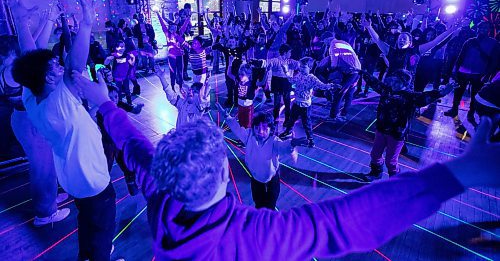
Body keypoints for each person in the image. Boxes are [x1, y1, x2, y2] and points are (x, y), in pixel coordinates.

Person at [74, 69, 498, 261]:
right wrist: (462, 172)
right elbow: (348, 221)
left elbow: (132, 144)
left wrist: (104, 102)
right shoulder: (255, 237)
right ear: (225, 171)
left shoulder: (158, 193)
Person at [4, 0, 120, 261]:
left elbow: (30, 56)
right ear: (49, 79)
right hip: (92, 179)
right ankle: (101, 254)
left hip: (72, 178)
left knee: (86, 218)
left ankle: (86, 254)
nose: (59, 66)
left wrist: (21, 21)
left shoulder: (32, 95)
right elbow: (75, 66)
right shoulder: (61, 99)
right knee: (103, 224)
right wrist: (87, 23)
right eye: (54, 67)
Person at [1, 34, 70, 226]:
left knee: (45, 164)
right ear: (11, 53)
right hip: (28, 123)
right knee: (42, 168)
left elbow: (35, 49)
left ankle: (50, 199)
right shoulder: (11, 71)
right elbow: (33, 52)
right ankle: (45, 214)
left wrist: (47, 21)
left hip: (23, 120)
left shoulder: (6, 70)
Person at [360, 69, 456, 180]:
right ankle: (376, 173)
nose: (393, 83)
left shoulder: (411, 97)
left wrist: (441, 93)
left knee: (390, 160)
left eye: (397, 81)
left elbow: (425, 97)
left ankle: (394, 179)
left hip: (396, 134)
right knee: (375, 154)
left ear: (404, 83)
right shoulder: (386, 90)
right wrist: (362, 72)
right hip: (381, 129)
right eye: (392, 80)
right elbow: (374, 82)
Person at [217, 104, 299, 209]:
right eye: (257, 128)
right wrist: (226, 116)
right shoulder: (248, 137)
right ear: (253, 128)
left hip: (272, 180)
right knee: (258, 204)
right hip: (255, 179)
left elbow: (284, 147)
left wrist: (292, 144)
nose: (260, 131)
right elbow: (236, 128)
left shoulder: (274, 141)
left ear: (271, 130)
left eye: (265, 128)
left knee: (270, 206)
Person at [444, 21, 500, 124]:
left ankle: (471, 114)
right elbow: (460, 56)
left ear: (489, 30)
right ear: (477, 29)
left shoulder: (494, 43)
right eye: (480, 27)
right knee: (458, 92)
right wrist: (455, 70)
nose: (482, 30)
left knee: (474, 95)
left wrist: (487, 75)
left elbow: (493, 61)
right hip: (463, 72)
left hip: (479, 74)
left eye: (485, 28)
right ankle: (454, 109)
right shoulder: (469, 41)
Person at [280, 57, 338, 147]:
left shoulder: (312, 78)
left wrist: (331, 86)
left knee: (306, 123)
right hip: (296, 103)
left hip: (305, 105)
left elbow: (322, 86)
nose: (301, 69)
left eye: (304, 67)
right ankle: (288, 131)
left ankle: (310, 139)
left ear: (310, 68)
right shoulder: (299, 75)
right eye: (301, 67)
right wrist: (286, 71)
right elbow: (291, 80)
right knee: (291, 119)